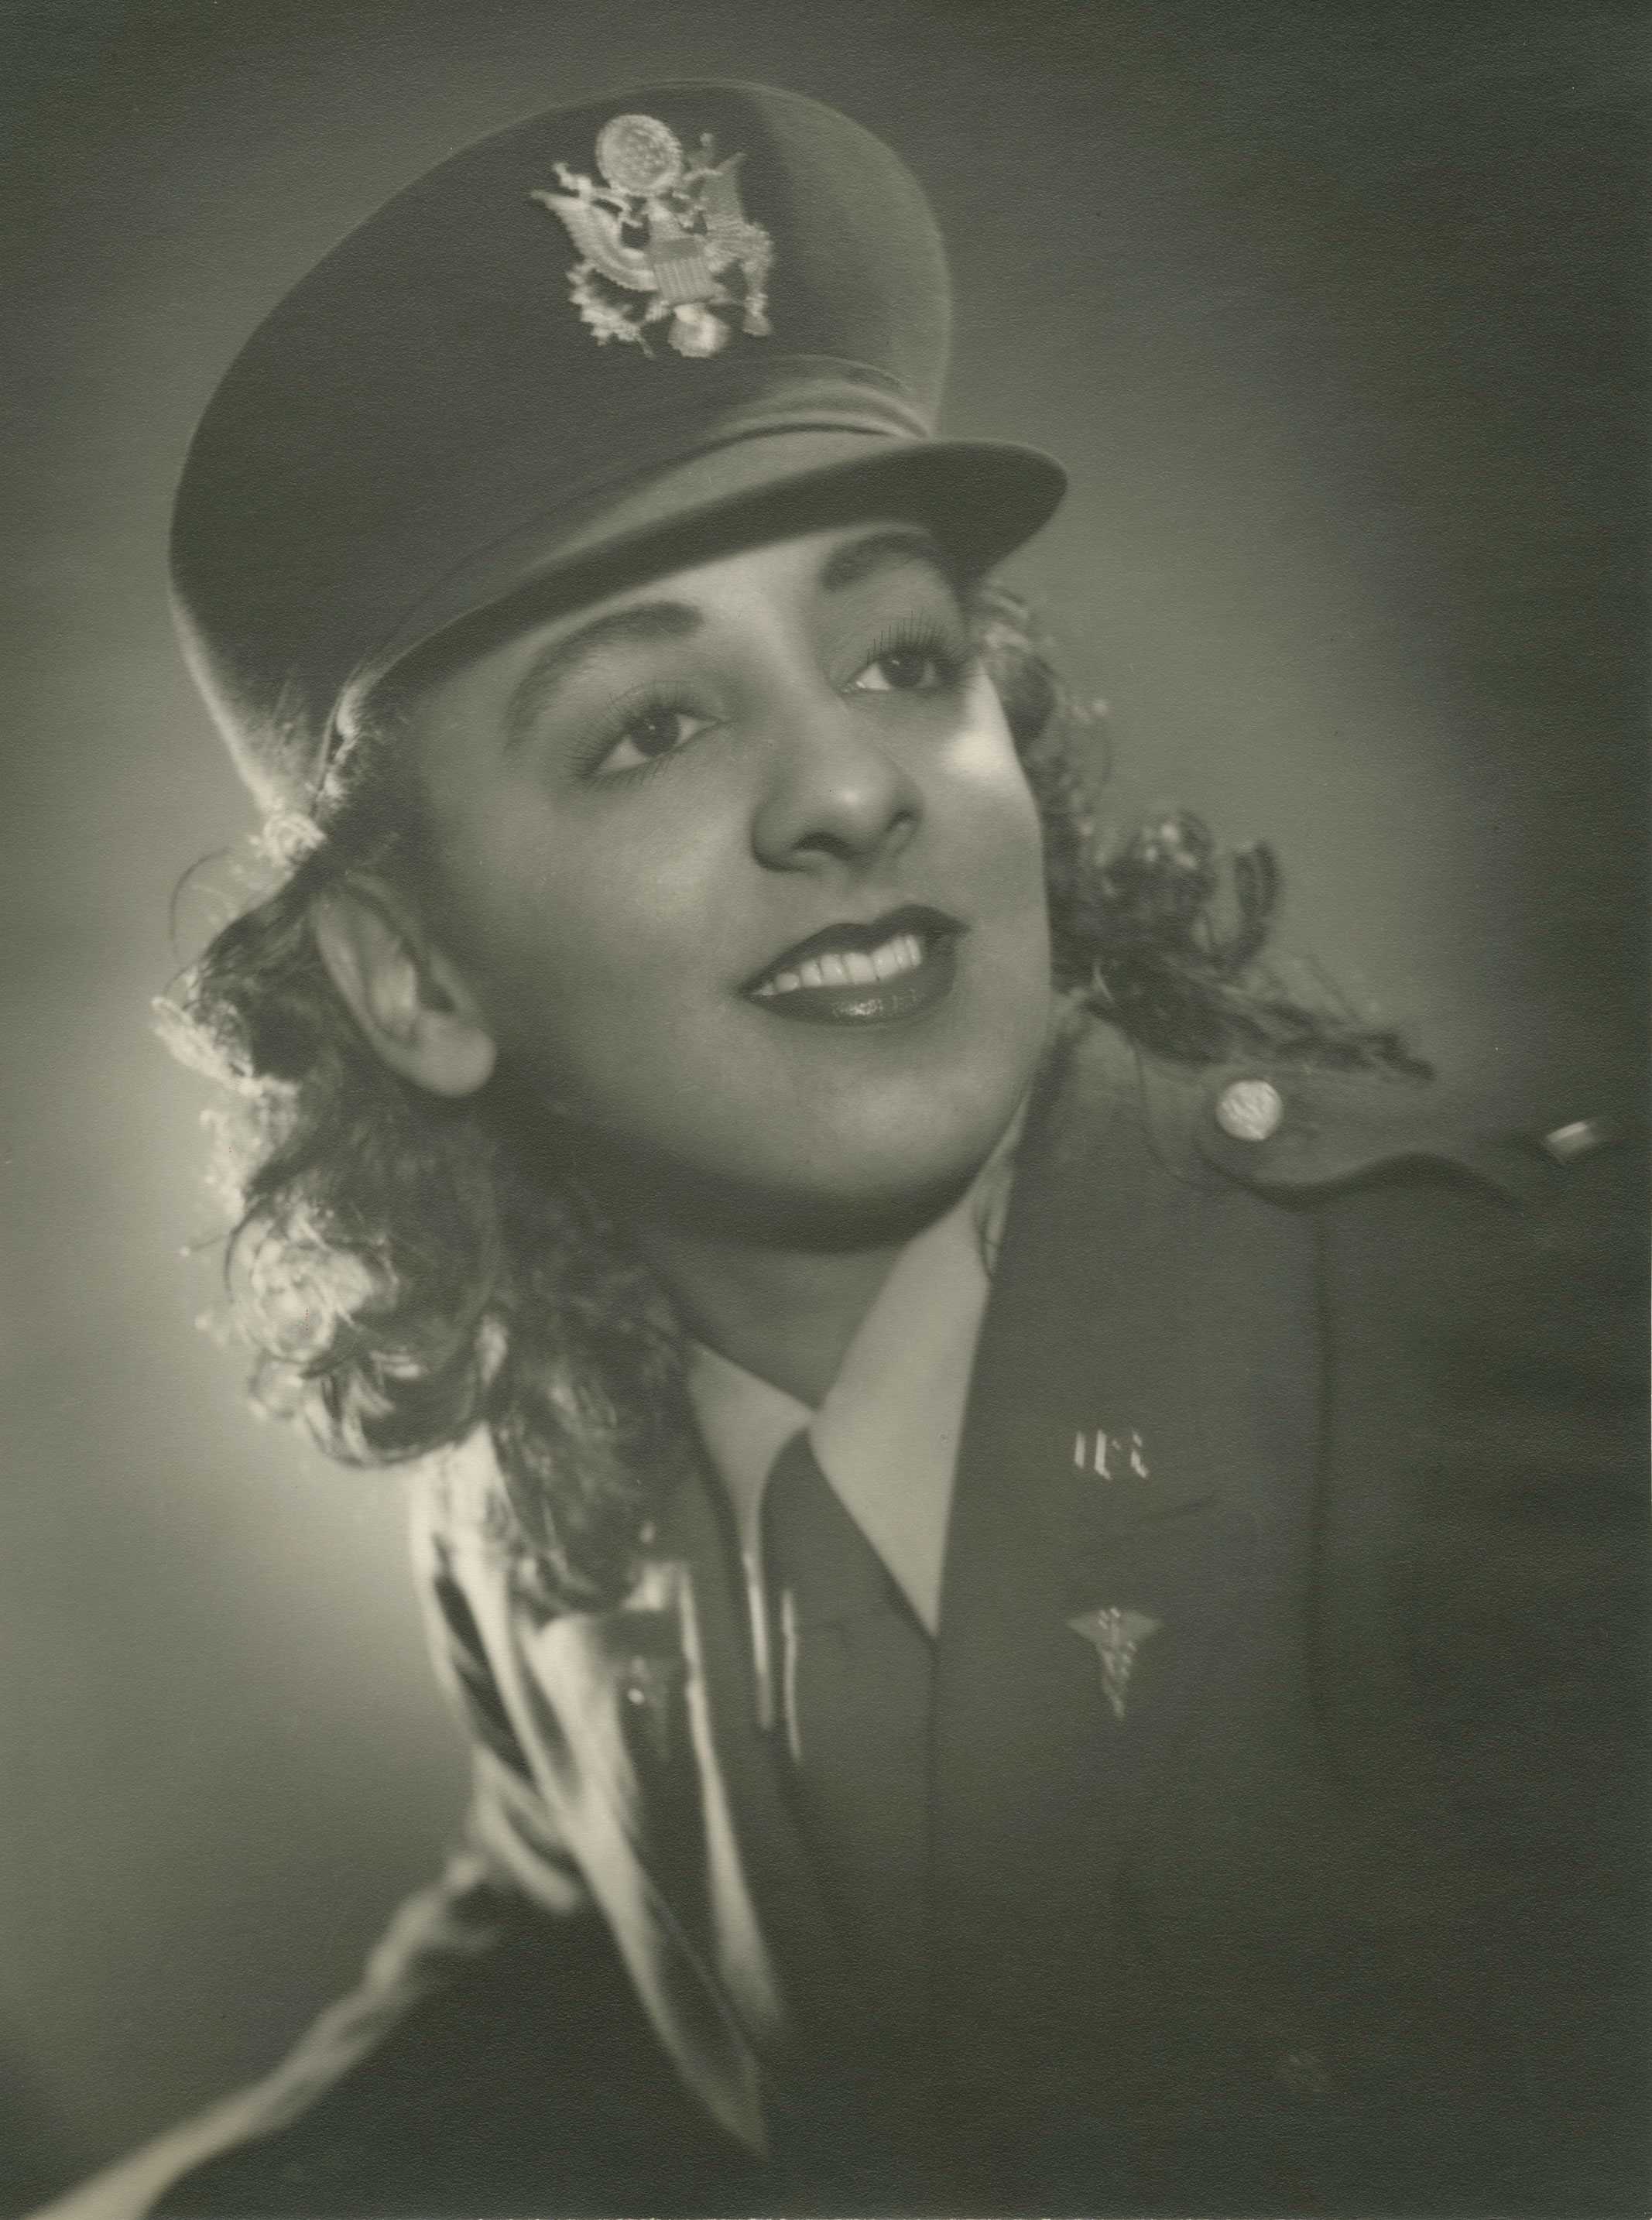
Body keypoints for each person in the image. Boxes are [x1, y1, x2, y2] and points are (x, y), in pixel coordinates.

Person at [50, 80, 1644, 2220]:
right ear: (413, 976)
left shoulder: (1488, 1344)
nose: (851, 788)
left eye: (903, 656)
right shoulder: (540, 1501)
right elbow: (564, 1965)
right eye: (655, 724)